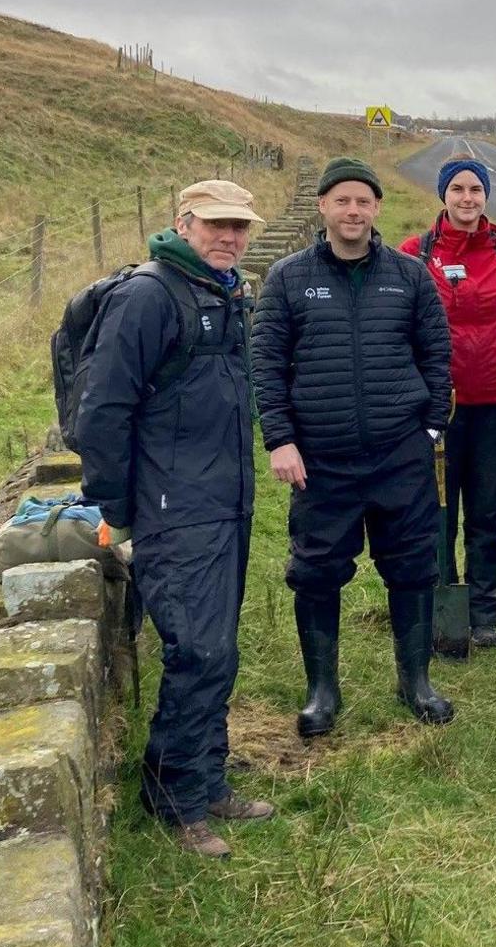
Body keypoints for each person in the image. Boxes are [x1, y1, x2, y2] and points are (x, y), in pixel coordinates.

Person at [74, 179, 269, 859]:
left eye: (240, 227)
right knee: (197, 648)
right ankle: (175, 796)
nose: (230, 237)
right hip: (173, 509)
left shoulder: (222, 292)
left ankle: (206, 777)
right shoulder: (148, 296)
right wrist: (118, 511)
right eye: (215, 224)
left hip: (225, 500)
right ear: (181, 223)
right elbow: (100, 412)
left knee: (220, 646)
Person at [251, 157, 456, 738]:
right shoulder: (288, 279)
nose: (353, 211)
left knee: (414, 566)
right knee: (316, 572)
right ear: (323, 207)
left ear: (377, 209)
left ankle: (414, 681)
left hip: (400, 454)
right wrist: (281, 439)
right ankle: (323, 690)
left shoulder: (410, 276)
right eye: (341, 200)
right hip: (321, 462)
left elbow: (436, 355)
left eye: (363, 201)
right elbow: (266, 362)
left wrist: (431, 429)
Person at [397, 157, 496, 649]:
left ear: (485, 196)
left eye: (475, 189)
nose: (466, 198)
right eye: (457, 189)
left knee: (488, 513)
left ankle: (483, 616)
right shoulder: (415, 255)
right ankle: (441, 607)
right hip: (435, 409)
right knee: (436, 511)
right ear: (443, 195)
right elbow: (398, 333)